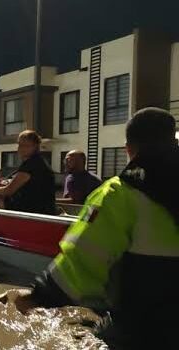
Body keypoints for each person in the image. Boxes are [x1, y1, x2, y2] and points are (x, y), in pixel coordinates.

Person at [14, 107, 179, 349]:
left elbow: (82, 263)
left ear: (128, 150)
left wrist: (39, 295)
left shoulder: (119, 194)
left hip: (145, 329)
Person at [0, 130, 56, 215]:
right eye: (20, 144)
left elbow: (9, 190)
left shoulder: (32, 164)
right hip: (39, 211)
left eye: (26, 145)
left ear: (35, 146)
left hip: (33, 213)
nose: (21, 148)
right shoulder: (37, 162)